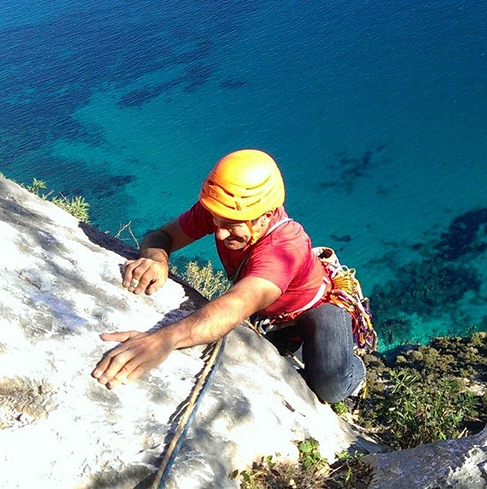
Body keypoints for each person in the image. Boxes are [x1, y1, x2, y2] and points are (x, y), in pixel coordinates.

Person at [91, 149, 365, 404]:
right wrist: (156, 259)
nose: (219, 234)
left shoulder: (283, 249)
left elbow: (236, 304)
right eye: (216, 222)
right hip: (272, 314)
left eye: (231, 226)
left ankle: (358, 368)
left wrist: (163, 340)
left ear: (266, 216)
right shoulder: (224, 212)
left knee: (331, 387)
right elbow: (159, 236)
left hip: (316, 309)